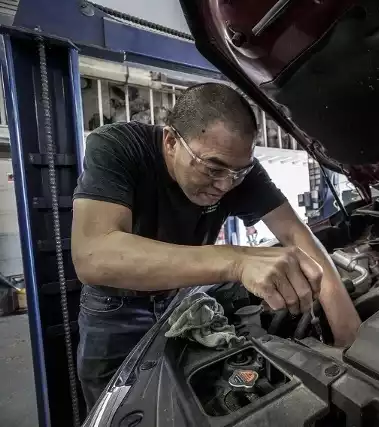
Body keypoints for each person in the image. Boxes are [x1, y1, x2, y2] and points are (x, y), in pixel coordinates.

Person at [71, 83, 361, 410]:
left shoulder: (236, 171)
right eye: (213, 169)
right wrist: (236, 261)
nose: (225, 185)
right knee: (119, 409)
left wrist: (347, 329)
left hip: (184, 300)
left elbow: (295, 234)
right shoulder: (119, 146)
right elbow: (93, 255)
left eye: (239, 173)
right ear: (170, 141)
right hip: (116, 309)